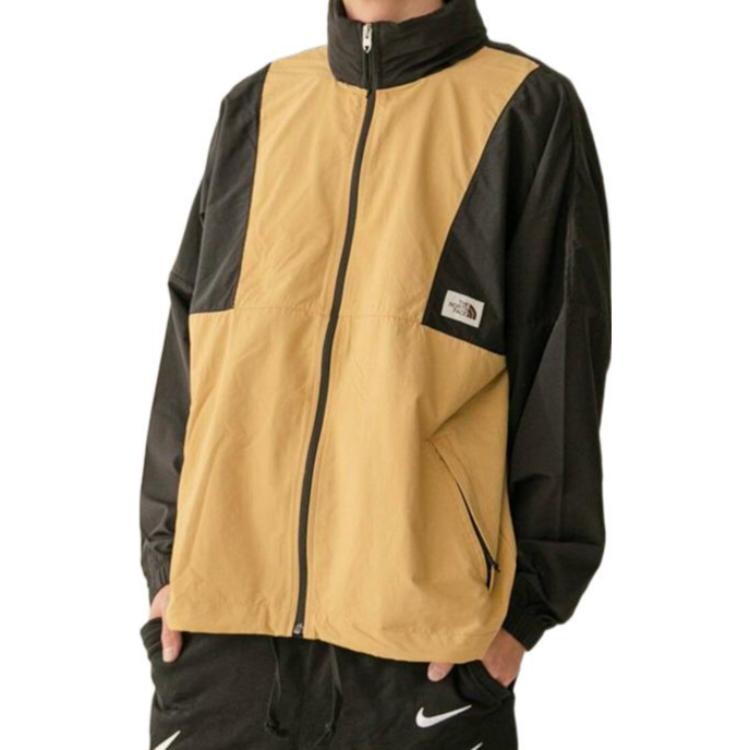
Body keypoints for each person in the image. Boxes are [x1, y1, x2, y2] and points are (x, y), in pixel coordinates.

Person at [139, 0, 611, 747]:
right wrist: (168, 570)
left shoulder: (523, 110)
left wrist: (520, 618)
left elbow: (562, 379)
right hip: (220, 648)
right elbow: (190, 359)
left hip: (423, 664)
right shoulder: (257, 107)